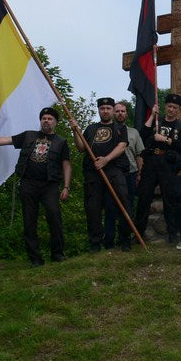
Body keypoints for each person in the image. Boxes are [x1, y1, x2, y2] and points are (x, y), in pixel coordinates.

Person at [0, 107, 71, 267]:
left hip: (50, 185)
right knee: (29, 220)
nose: (46, 121)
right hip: (28, 183)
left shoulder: (61, 142)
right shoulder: (29, 135)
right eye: (44, 118)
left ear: (56, 122)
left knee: (54, 216)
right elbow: (7, 140)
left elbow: (66, 164)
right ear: (40, 121)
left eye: (50, 118)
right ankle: (35, 259)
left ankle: (58, 254)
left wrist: (66, 186)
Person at [72, 97, 131, 253]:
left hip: (114, 170)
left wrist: (106, 160)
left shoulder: (120, 128)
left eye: (108, 108)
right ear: (99, 110)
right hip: (93, 173)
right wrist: (75, 131)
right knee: (93, 208)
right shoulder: (91, 128)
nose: (105, 111)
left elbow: (122, 146)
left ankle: (125, 239)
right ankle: (95, 243)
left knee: (123, 202)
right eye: (102, 108)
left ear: (113, 110)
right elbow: (81, 147)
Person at [135, 93, 181, 241]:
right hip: (152, 161)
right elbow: (143, 134)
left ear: (179, 109)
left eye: (175, 107)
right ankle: (138, 233)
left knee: (170, 198)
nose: (171, 109)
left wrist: (165, 139)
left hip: (168, 163)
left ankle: (173, 233)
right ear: (165, 106)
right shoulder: (156, 122)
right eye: (169, 106)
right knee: (144, 196)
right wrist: (152, 115)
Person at [103, 101, 144, 248]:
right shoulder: (106, 131)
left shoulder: (134, 133)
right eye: (117, 111)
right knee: (110, 207)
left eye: (123, 111)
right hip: (110, 174)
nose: (120, 113)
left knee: (127, 207)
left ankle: (124, 240)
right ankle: (109, 241)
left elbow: (139, 154)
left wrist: (139, 173)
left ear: (126, 113)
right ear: (113, 113)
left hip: (130, 174)